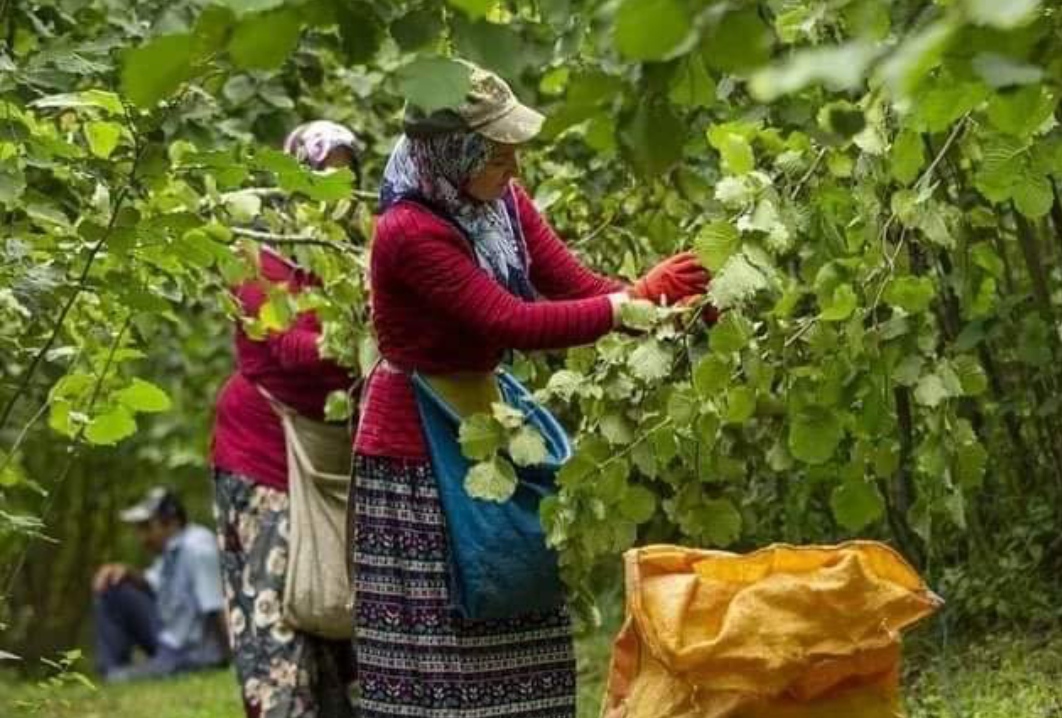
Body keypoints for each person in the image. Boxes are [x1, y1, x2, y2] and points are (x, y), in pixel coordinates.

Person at [352, 61, 710, 718]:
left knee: (518, 583)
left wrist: (661, 306)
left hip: (487, 416)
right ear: (453, 151)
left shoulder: (499, 204)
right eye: (498, 153)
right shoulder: (408, 232)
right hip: (417, 449)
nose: (514, 167)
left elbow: (573, 283)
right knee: (453, 620)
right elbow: (507, 318)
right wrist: (625, 308)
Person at [210, 121, 360, 718]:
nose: (335, 186)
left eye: (346, 171)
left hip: (329, 459)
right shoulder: (255, 259)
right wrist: (361, 332)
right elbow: (290, 349)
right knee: (277, 609)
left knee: (336, 606)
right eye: (322, 171)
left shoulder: (349, 260)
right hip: (262, 458)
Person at [91, 486, 227, 682]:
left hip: (190, 652)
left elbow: (216, 608)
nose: (141, 538)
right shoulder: (171, 550)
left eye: (147, 527)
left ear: (171, 522)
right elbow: (152, 584)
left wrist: (231, 660)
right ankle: (110, 670)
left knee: (120, 679)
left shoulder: (198, 549)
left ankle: (116, 677)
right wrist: (126, 573)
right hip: (169, 637)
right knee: (113, 588)